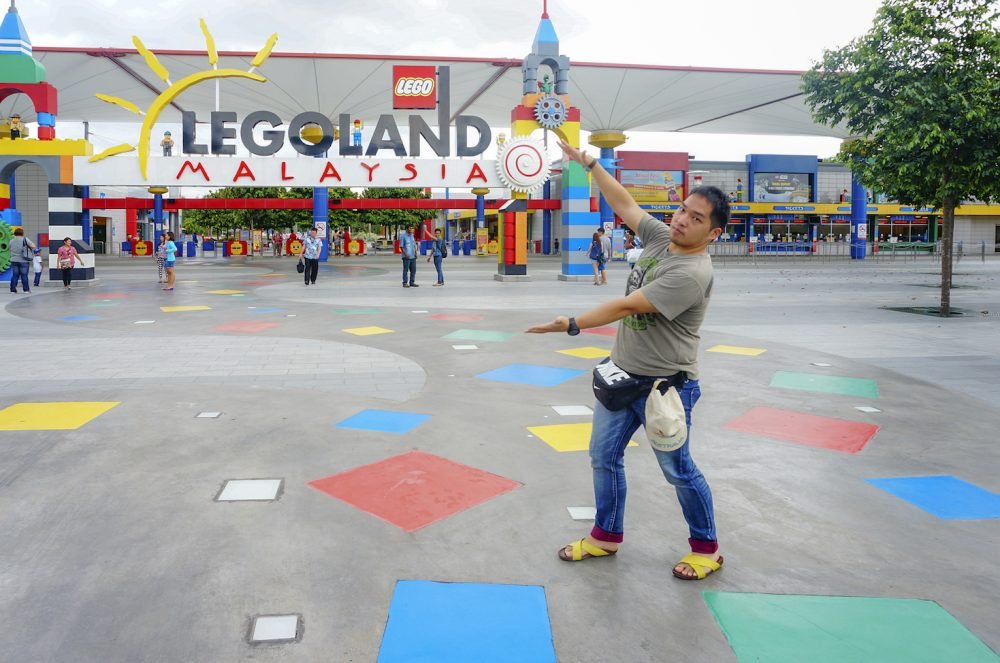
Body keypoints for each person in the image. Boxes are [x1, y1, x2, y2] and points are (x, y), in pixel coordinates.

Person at [527, 138, 729, 582]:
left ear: (713, 233)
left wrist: (573, 323)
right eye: (682, 211)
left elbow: (625, 307)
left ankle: (706, 547)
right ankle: (605, 535)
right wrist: (591, 164)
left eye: (696, 219)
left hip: (666, 388)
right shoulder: (660, 239)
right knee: (603, 455)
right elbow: (625, 204)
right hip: (624, 376)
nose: (681, 221)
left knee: (677, 469)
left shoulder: (692, 273)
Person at [8, 228, 36, 293]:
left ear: (15, 233)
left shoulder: (11, 241)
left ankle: (13, 290)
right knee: (24, 275)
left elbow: (9, 248)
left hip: (14, 260)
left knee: (15, 275)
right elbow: (33, 246)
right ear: (22, 233)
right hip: (24, 260)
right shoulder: (25, 239)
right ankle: (26, 290)